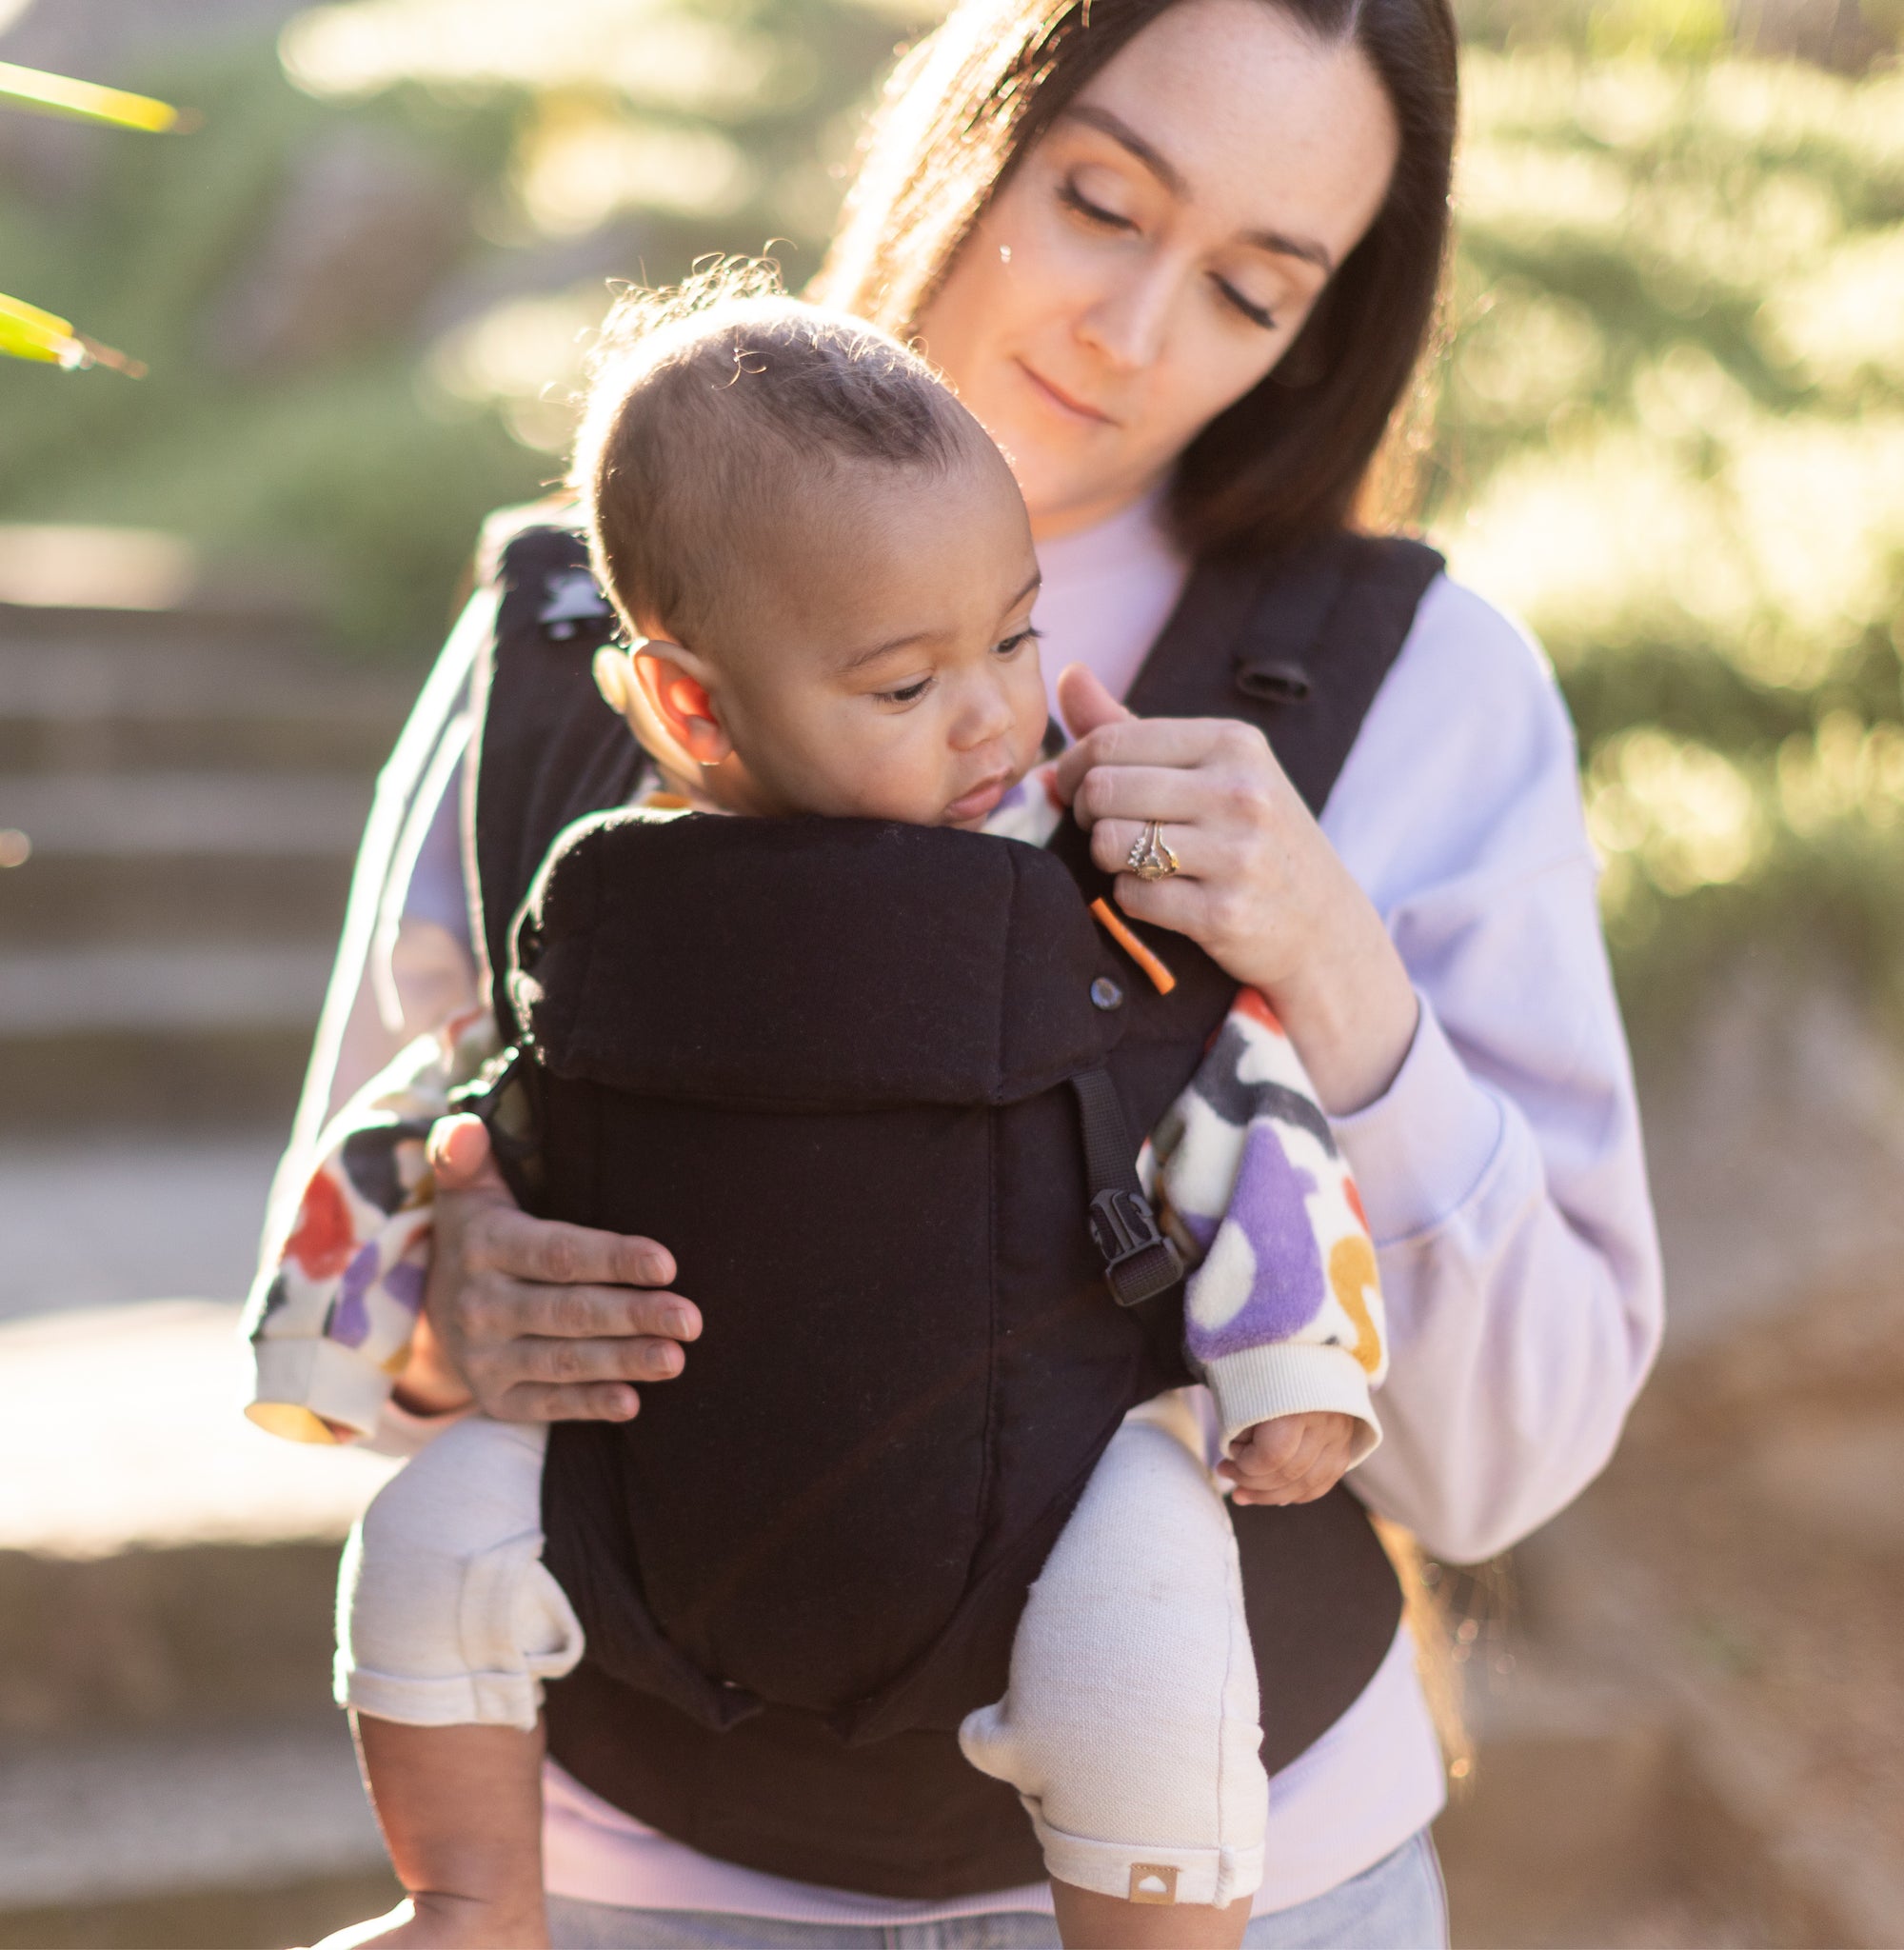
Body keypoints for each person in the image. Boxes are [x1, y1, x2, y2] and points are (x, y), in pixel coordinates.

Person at [261, 0, 1663, 1942]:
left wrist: (1338, 973)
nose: (1134, 327)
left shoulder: (1415, 685)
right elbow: (355, 1237)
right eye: (1100, 202)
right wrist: (445, 1299)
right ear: (969, 133)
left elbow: (1505, 1460)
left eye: (1252, 290)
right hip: (631, 1879)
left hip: (1256, 1867)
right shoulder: (576, 633)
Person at [263, 287, 1387, 1950]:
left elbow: (1230, 1094)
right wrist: (348, 1326)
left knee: (1156, 1617)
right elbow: (449, 1099)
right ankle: (471, 1900)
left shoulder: (1071, 882)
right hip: (653, 1485)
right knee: (429, 1534)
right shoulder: (613, 903)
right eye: (903, 684)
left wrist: (1296, 1370)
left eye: (1013, 635)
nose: (996, 716)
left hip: (1046, 1467)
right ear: (697, 710)